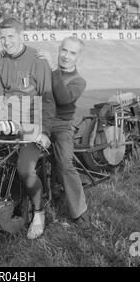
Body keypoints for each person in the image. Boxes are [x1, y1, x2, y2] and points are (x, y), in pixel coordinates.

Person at [0, 17, 55, 239]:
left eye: (11, 37)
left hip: (31, 128)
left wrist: (44, 132)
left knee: (25, 169)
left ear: (21, 35)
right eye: (2, 38)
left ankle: (39, 213)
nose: (6, 42)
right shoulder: (1, 62)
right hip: (7, 126)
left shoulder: (38, 60)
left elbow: (47, 99)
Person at [36, 36, 89, 228]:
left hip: (62, 125)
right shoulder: (48, 72)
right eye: (64, 50)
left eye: (72, 53)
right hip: (41, 120)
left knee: (65, 164)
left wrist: (51, 70)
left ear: (78, 58)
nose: (66, 56)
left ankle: (79, 211)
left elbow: (63, 97)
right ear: (59, 50)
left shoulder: (79, 81)